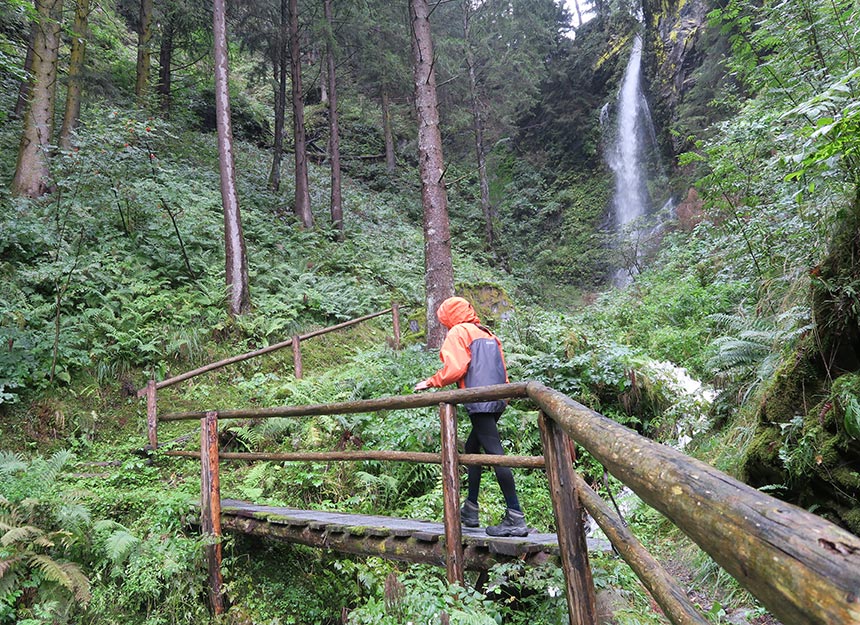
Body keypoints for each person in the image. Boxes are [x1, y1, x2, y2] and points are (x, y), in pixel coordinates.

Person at [414, 296, 528, 537]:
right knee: (473, 448)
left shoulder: (458, 332)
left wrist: (431, 382)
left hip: (479, 400)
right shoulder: (487, 333)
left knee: (496, 454)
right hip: (497, 398)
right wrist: (503, 397)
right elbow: (503, 370)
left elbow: (455, 368)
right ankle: (471, 509)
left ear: (448, 315)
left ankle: (515, 515)